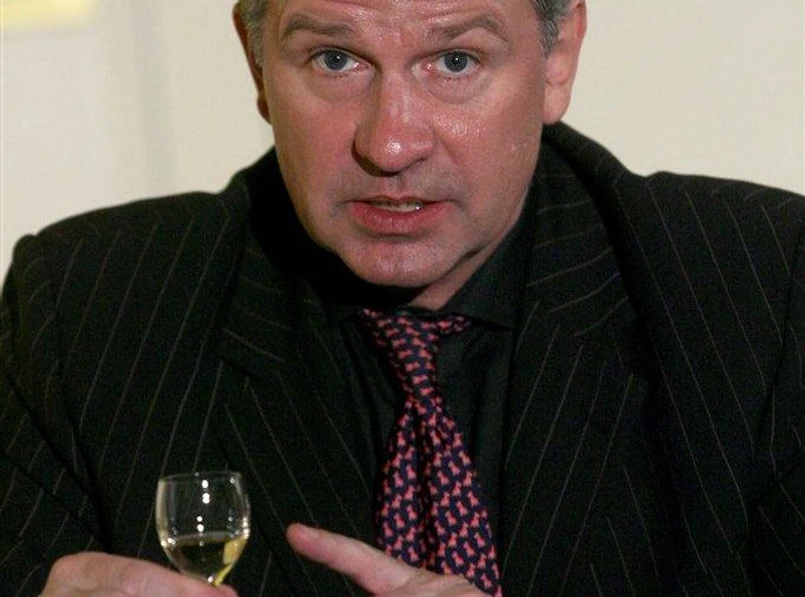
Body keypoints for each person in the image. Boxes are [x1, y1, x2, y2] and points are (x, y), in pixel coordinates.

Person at [1, 0, 803, 594]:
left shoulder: (759, 288)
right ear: (256, 65)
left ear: (557, 59)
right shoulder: (84, 311)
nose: (390, 143)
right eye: (334, 60)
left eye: (454, 61)